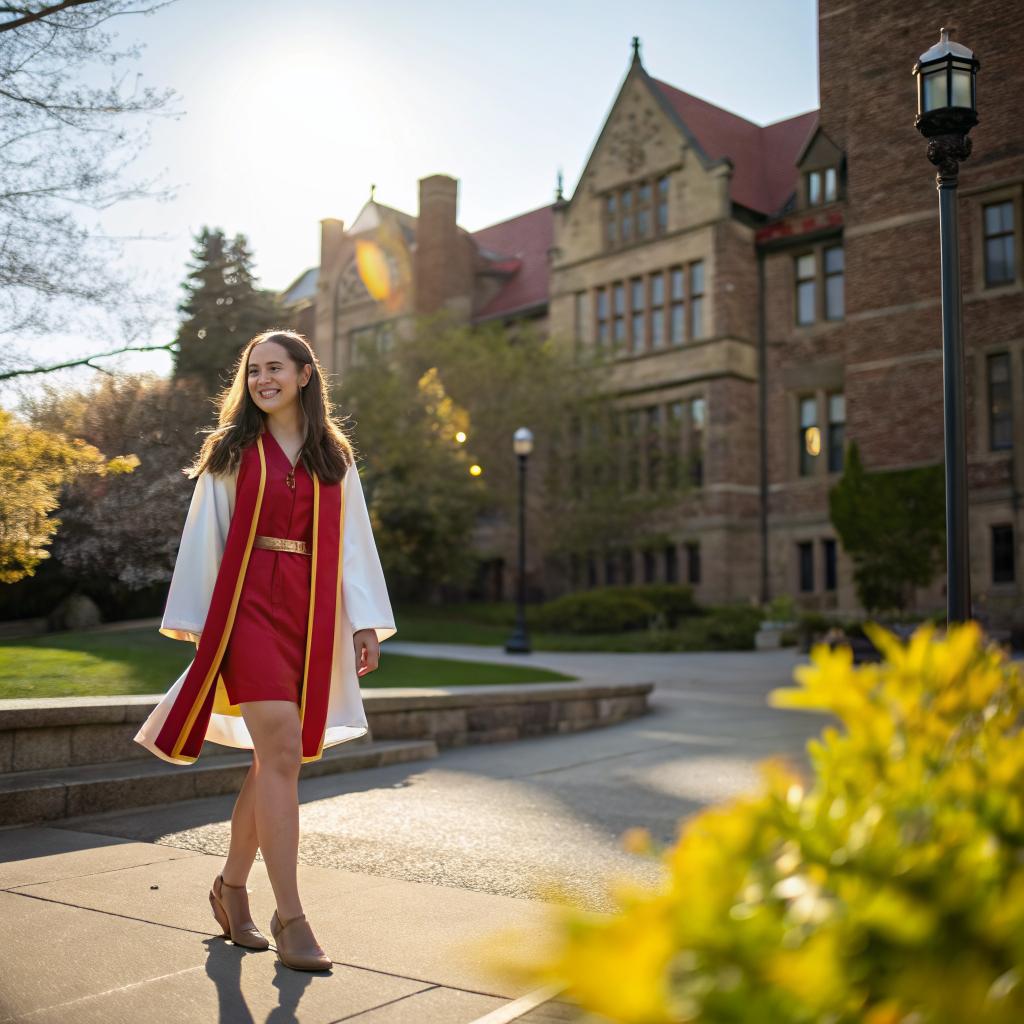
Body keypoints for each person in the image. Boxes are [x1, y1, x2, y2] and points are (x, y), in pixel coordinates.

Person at [134, 329, 396, 971]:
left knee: (273, 758)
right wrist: (198, 617)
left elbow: (354, 541)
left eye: (275, 368)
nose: (262, 380)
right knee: (280, 749)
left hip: (307, 614)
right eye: (254, 371)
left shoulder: (333, 456)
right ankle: (293, 917)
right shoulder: (234, 448)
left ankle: (229, 888)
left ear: (306, 375)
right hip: (246, 609)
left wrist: (362, 619)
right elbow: (207, 530)